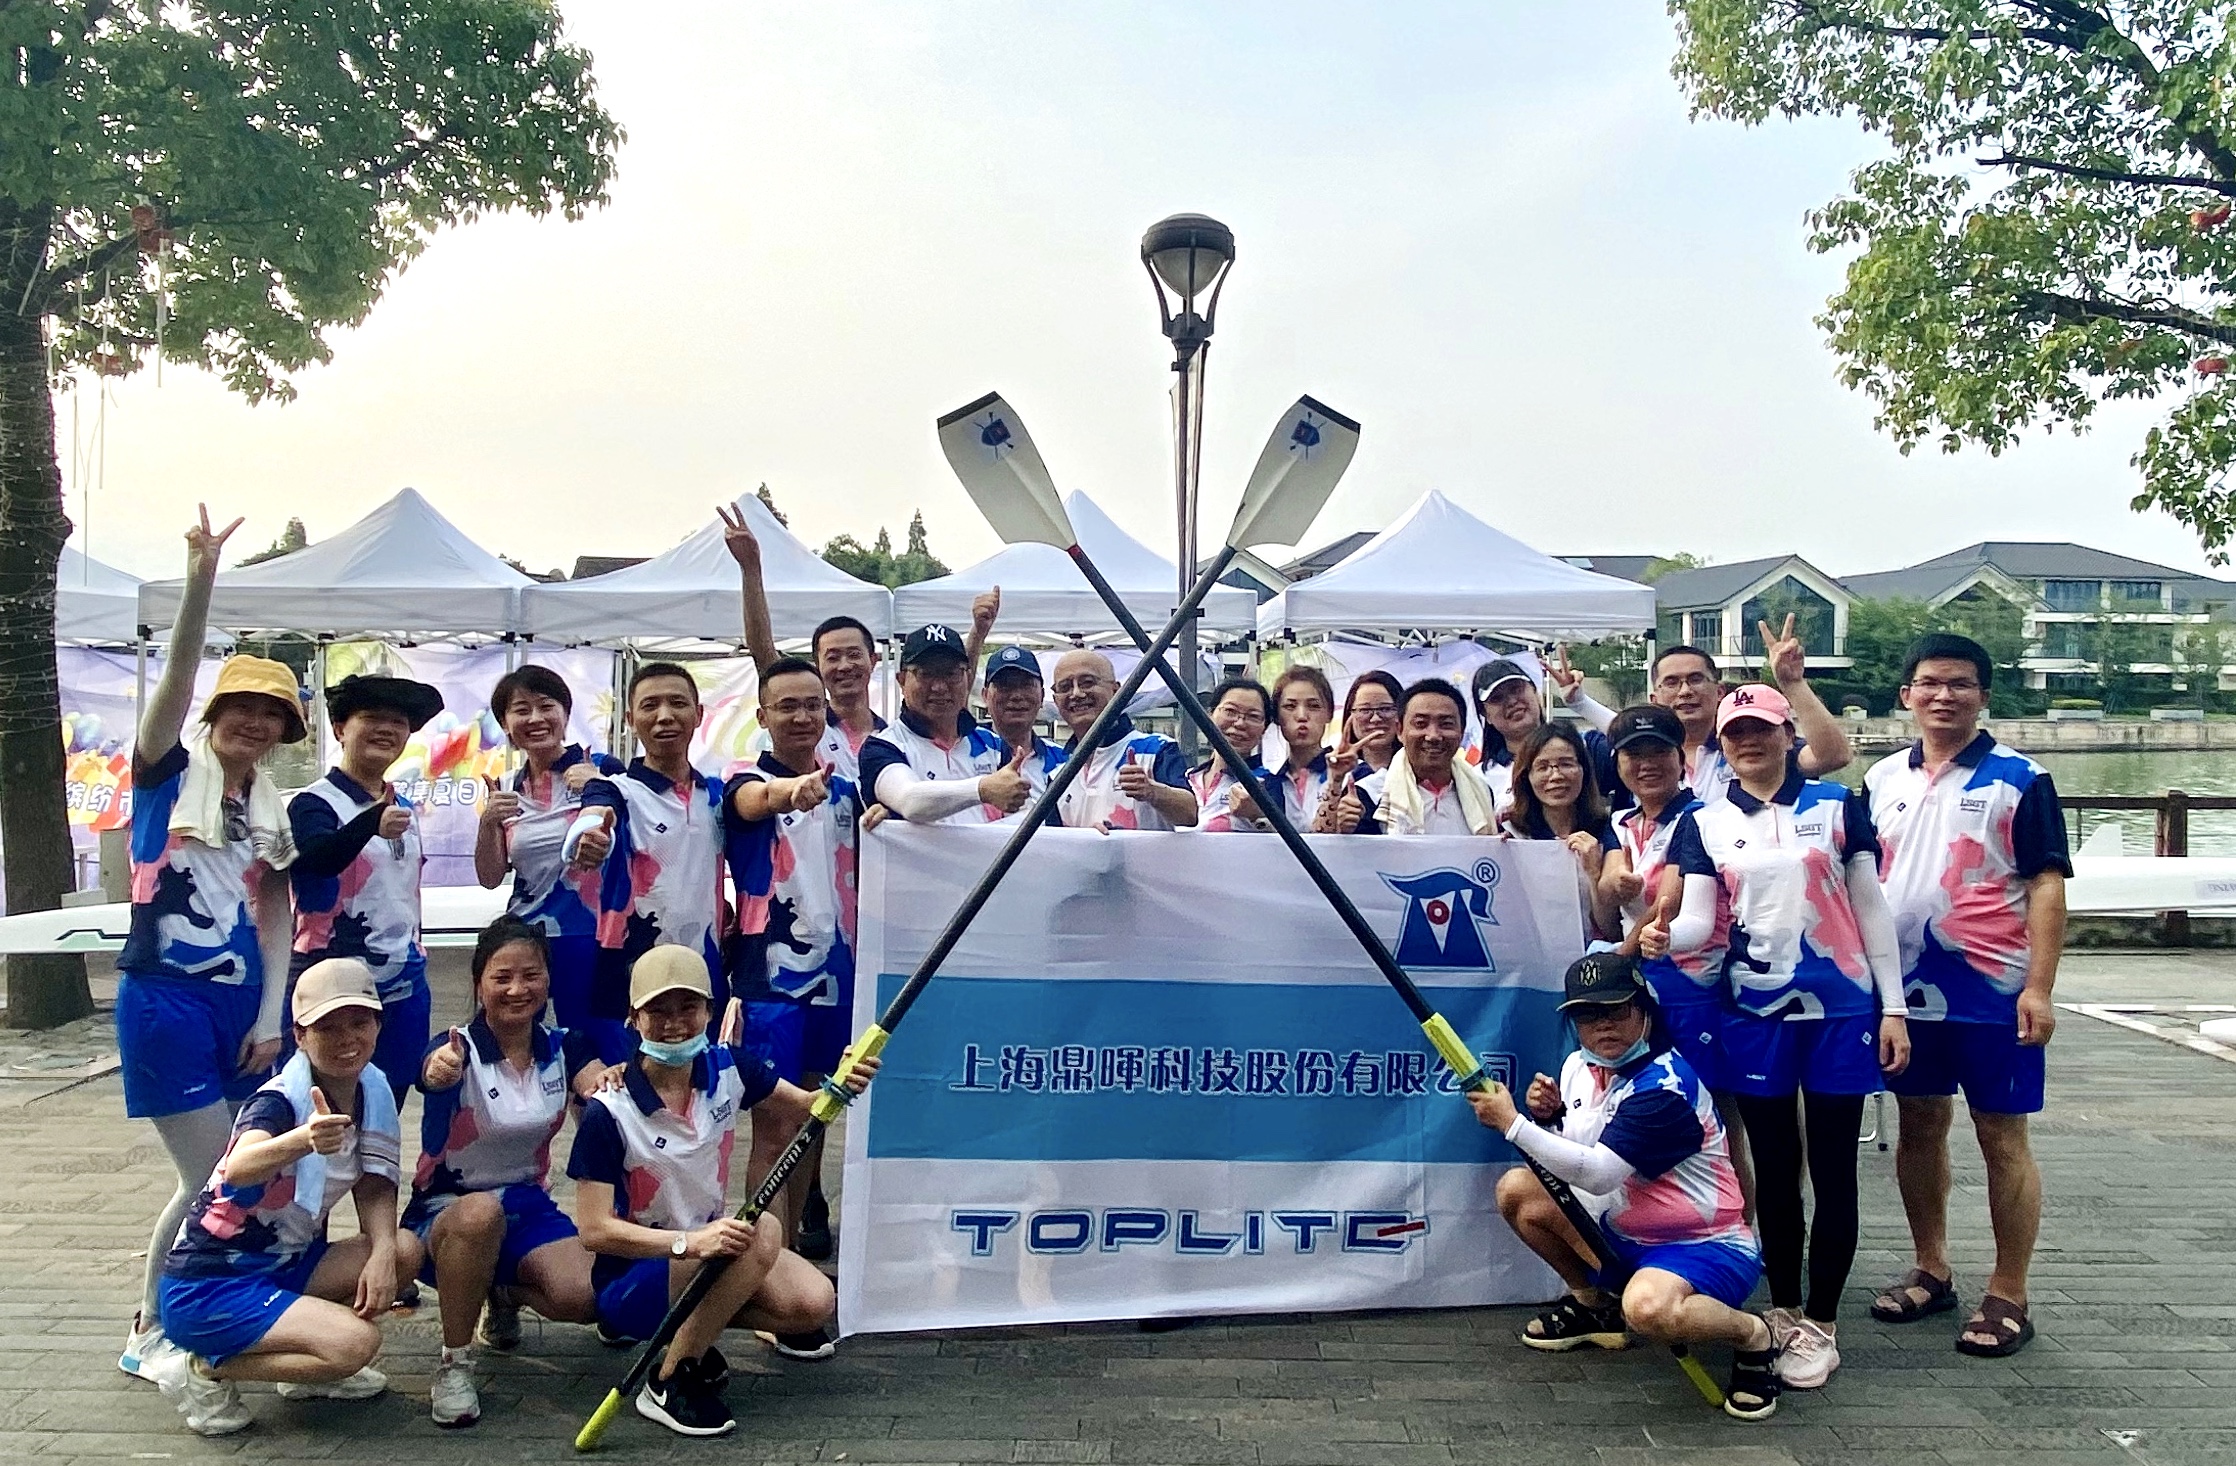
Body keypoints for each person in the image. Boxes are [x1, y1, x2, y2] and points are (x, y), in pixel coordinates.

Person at [1646, 684, 1910, 1391]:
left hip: (1841, 1011)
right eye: (1735, 733)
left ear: (1787, 734)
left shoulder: (1838, 806)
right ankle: (1785, 1305)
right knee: (1773, 1163)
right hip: (1754, 1011)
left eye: (1761, 728)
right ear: (1721, 744)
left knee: (1834, 1164)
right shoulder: (1703, 822)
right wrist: (1665, 937)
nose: (1749, 742)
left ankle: (1823, 1321)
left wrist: (1893, 1008)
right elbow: (1700, 920)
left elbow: (1871, 910)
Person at [117, 509, 306, 1385]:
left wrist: (271, 1017)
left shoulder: (264, 810)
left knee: (234, 1177)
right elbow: (175, 683)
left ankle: (192, 1314)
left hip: (241, 1008)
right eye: (242, 709)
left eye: (273, 714)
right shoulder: (164, 773)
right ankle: (157, 1329)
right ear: (215, 714)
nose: (255, 724)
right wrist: (201, 582)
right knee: (211, 1181)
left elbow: (276, 914)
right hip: (163, 999)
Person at [566, 947, 877, 1437]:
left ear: (710, 1011)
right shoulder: (610, 1110)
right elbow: (594, 1231)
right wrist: (690, 1243)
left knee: (811, 1304)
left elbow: (808, 1106)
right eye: (658, 1010)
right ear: (634, 1018)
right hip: (633, 1278)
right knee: (762, 1230)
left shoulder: (729, 1067)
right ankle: (670, 1378)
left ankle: (690, 1333)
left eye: (688, 1007)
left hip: (708, 1254)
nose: (674, 1023)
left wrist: (843, 1080)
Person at [1864, 633, 2069, 1358]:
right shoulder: (1881, 777)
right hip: (1904, 991)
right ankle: (1933, 1267)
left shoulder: (2021, 779)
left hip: (1993, 990)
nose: (1943, 695)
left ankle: (2009, 1291)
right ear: (1906, 696)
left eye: (1959, 684)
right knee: (1919, 1124)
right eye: (1929, 683)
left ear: (1983, 695)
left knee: (2001, 1135)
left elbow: (2046, 884)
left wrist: (2039, 987)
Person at [1475, 953, 1777, 1422]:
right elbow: (1576, 1153)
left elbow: (1597, 1173)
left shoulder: (1665, 1086)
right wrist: (1548, 1119)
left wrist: (1514, 1125)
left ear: (1644, 1011)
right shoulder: (1578, 1066)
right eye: (1586, 1015)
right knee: (1518, 1191)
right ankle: (1594, 1306)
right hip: (1621, 1233)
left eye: (1615, 1010)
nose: (1602, 1025)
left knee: (1648, 1309)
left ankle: (1754, 1335)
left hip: (1703, 1246)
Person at [151, 958, 422, 1436]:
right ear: (300, 1035)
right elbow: (239, 1165)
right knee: (355, 1345)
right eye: (327, 1027)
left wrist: (381, 1253)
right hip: (209, 1286)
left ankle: (305, 1372)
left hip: (289, 1263)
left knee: (403, 1249)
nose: (346, 1039)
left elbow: (375, 1183)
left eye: (359, 1022)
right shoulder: (278, 1101)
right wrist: (302, 1139)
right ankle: (202, 1368)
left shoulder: (372, 1088)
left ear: (378, 1025)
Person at [404, 918, 610, 1427]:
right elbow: (432, 1070)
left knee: (584, 1297)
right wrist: (438, 1071)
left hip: (527, 1203)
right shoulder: (456, 1046)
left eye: (531, 975)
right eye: (502, 977)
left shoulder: (565, 1046)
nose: (518, 989)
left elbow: (599, 1084)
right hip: (447, 1209)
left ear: (548, 980)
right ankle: (455, 1364)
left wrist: (618, 1081)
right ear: (479, 983)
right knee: (479, 1216)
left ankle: (498, 1292)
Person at [725, 655, 863, 1314]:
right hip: (770, 982)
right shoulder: (744, 779)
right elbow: (756, 801)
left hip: (839, 975)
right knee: (775, 1126)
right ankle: (768, 1272)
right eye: (787, 706)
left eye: (813, 705)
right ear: (763, 715)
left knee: (814, 1118)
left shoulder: (848, 788)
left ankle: (793, 1263)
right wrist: (793, 792)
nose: (803, 716)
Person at [1595, 705, 1752, 1211]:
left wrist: (1616, 959)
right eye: (1633, 755)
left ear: (1680, 758)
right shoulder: (1620, 822)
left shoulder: (1700, 819)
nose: (1647, 765)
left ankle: (1737, 1226)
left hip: (1695, 986)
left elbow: (1670, 902)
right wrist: (1606, 880)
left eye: (1658, 752)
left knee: (1715, 1116)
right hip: (1642, 986)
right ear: (1617, 764)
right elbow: (1608, 894)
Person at [287, 672, 445, 1110]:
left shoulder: (402, 805)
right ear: (340, 728)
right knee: (324, 1110)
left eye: (398, 722)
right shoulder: (314, 803)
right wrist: (368, 824)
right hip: (332, 986)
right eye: (372, 718)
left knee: (384, 1106)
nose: (386, 730)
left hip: (403, 983)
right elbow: (315, 860)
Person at [566, 662, 733, 1025]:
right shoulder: (616, 789)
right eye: (650, 705)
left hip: (704, 973)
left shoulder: (717, 795)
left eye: (677, 703)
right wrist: (589, 836)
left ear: (699, 714)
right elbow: (595, 813)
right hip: (628, 976)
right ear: (630, 719)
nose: (665, 716)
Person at [473, 663, 624, 1058]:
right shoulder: (505, 786)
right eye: (521, 710)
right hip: (524, 939)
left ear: (565, 715)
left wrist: (599, 785)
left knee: (600, 1051)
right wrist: (488, 821)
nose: (535, 718)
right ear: (505, 725)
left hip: (592, 935)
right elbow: (490, 877)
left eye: (546, 706)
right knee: (518, 1049)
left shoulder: (602, 769)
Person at [1644, 621, 1852, 808]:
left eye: (1696, 679)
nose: (1685, 691)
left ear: (1720, 692)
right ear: (1654, 699)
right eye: (1671, 683)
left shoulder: (1750, 743)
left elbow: (1833, 757)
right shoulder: (1640, 755)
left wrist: (1793, 683)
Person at [858, 625, 1033, 826]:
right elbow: (910, 800)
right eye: (926, 674)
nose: (939, 687)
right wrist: (982, 789)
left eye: (951, 673)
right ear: (902, 680)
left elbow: (1025, 815)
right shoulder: (883, 746)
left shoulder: (993, 745)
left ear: (967, 678)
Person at [1049, 649, 1197, 831]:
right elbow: (1053, 838)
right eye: (1065, 687)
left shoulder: (1156, 749)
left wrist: (1153, 791)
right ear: (1055, 700)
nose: (1076, 694)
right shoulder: (1056, 770)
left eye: (1087, 683)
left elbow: (1190, 814)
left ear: (1116, 690)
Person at [1465, 651, 1617, 813]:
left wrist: (1581, 704)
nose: (1511, 701)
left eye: (1516, 689)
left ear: (1535, 692)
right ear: (1485, 714)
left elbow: (1633, 741)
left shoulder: (1583, 748)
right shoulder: (1479, 779)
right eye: (1497, 698)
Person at [1355, 679, 1501, 836]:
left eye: (1446, 724)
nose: (1433, 736)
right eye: (1420, 724)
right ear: (1400, 730)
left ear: (1461, 731)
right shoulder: (1371, 794)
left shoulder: (1481, 793)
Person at [1502, 723, 1617, 885]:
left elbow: (1611, 903)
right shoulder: (1511, 833)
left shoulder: (1607, 832)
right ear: (1527, 776)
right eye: (1543, 767)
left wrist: (1594, 873)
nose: (1556, 776)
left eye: (1566, 764)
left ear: (1583, 770)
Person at [980, 645, 1067, 819]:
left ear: (1042, 696)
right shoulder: (966, 751)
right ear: (985, 696)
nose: (1017, 696)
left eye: (1027, 685)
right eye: (1005, 686)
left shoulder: (1064, 762)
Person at [1190, 678, 1276, 833]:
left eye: (1253, 716)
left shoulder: (1269, 784)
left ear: (1265, 728)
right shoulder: (1186, 779)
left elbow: (1287, 843)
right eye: (1230, 711)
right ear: (1210, 715)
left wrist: (1257, 816)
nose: (1240, 723)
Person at [1265, 666, 1344, 830]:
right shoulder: (1267, 783)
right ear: (1276, 716)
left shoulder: (1352, 774)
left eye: (1314, 706)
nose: (1302, 716)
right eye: (1290, 706)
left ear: (1329, 714)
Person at [1339, 669, 1403, 777]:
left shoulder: (1420, 771)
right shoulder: (1334, 773)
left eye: (1385, 709)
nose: (1375, 719)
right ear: (1350, 715)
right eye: (1365, 710)